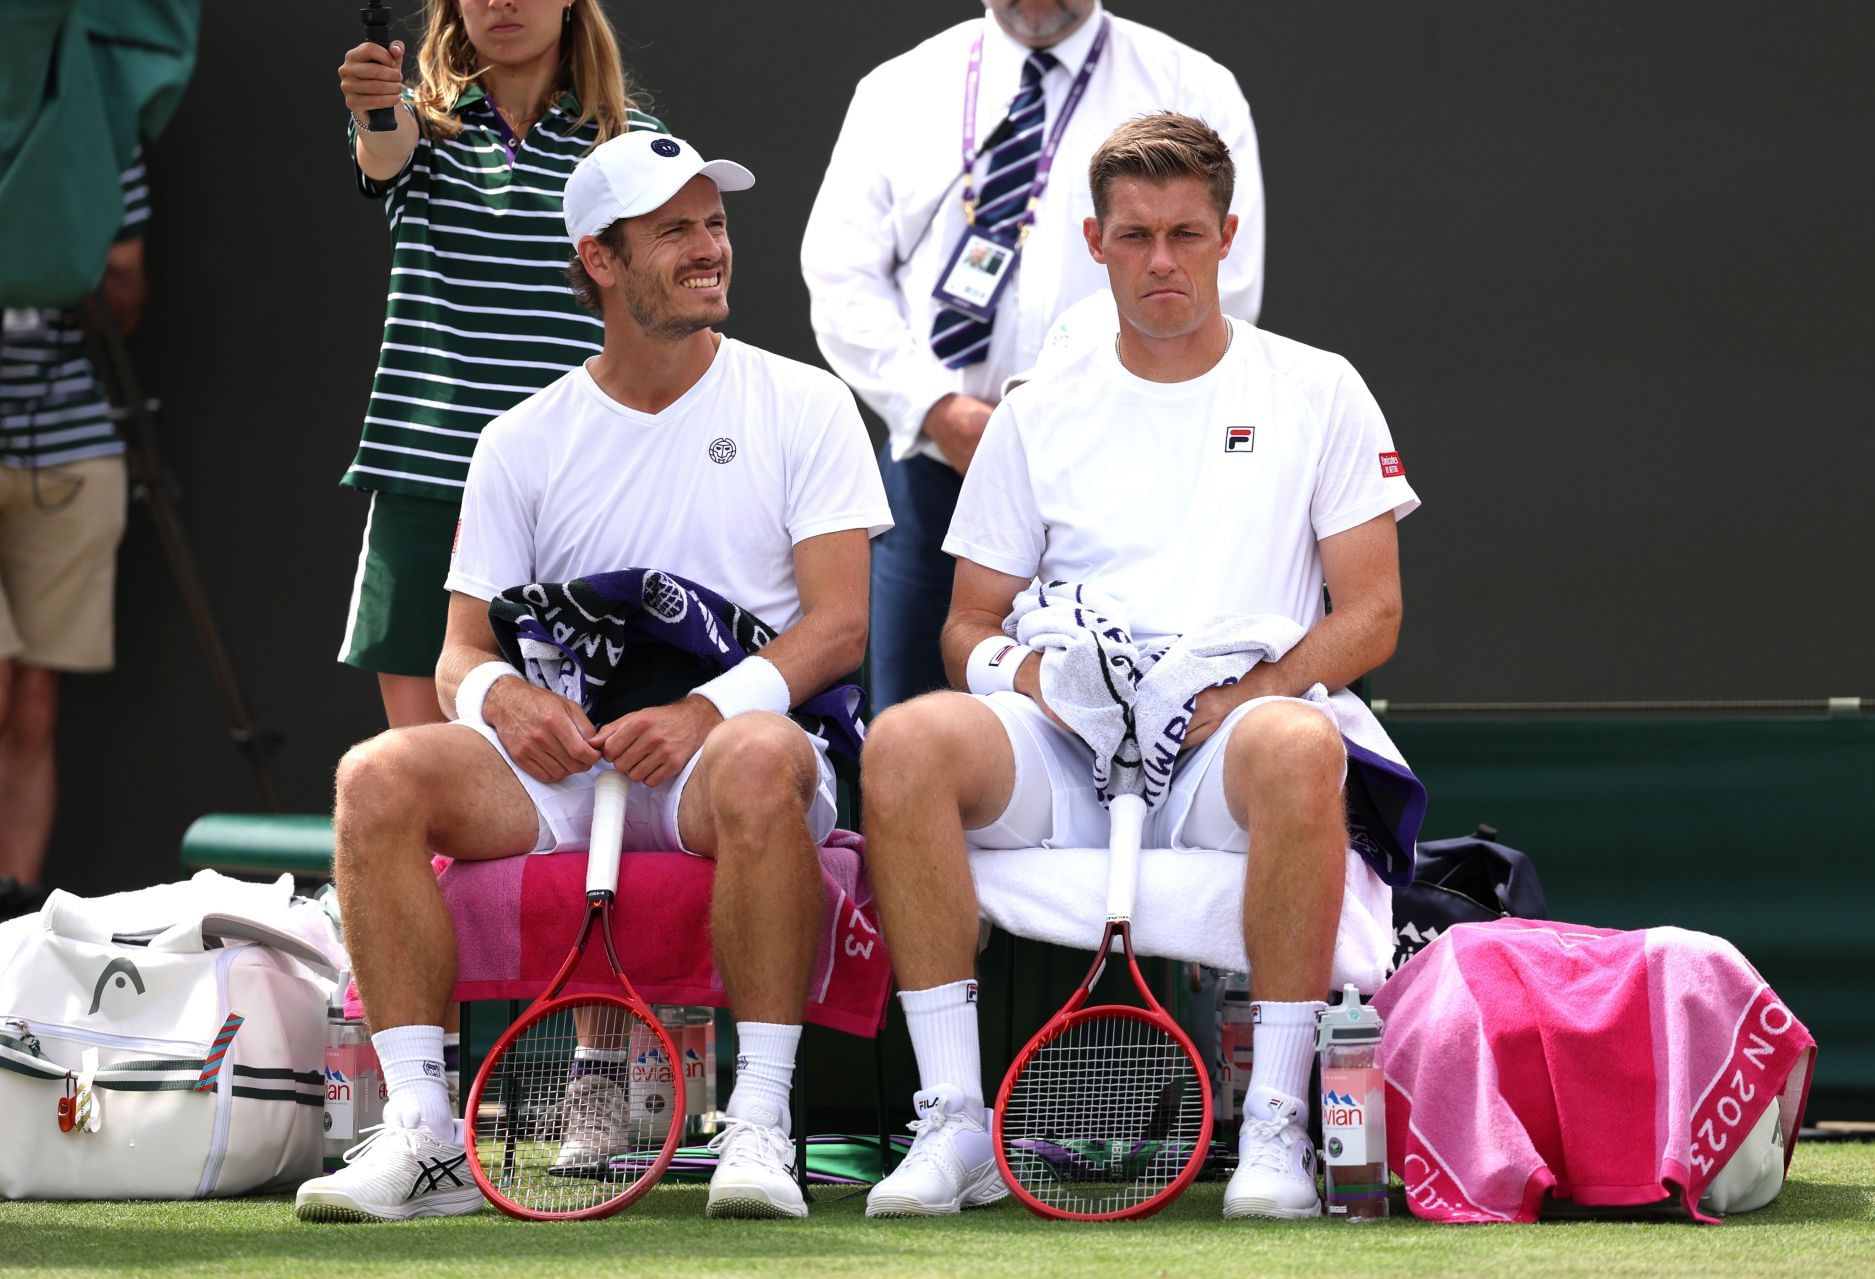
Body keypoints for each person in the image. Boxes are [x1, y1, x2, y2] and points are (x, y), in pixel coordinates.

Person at [293, 133, 892, 1223]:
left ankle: (760, 1118)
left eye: (714, 224)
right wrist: (501, 700)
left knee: (760, 753)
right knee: (377, 774)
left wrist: (706, 710)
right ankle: (425, 1131)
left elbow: (841, 625)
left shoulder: (805, 403)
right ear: (602, 260)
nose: (710, 248)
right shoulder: (523, 438)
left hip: (731, 757)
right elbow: (457, 650)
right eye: (676, 230)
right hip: (573, 769)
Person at [857, 114, 1419, 1220]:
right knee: (907, 739)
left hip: (1230, 750)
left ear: (1226, 240)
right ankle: (956, 1121)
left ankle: (1276, 1129)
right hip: (1071, 749)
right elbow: (967, 623)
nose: (1161, 260)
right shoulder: (1035, 414)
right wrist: (1038, 681)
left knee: (1305, 739)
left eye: (1184, 234)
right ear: (1096, 242)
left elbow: (1377, 612)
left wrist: (1237, 699)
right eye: (1135, 236)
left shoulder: (1318, 389)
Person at [801, 0, 1264, 713]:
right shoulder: (900, 89)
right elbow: (840, 275)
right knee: (912, 730)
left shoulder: (1189, 87)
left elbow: (1220, 287)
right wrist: (937, 409)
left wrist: (1097, 414)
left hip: (1121, 470)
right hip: (940, 471)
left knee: (1115, 727)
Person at [334, 0, 664, 730]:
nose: (500, 2)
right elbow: (383, 144)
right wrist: (374, 110)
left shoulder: (632, 144)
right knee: (422, 778)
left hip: (580, 487)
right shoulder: (417, 122)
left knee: (580, 777)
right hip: (429, 482)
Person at [0, 150, 148, 918]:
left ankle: (13, 916)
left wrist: (55, 239)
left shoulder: (91, 131)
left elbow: (125, 296)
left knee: (34, 700)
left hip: (68, 445)